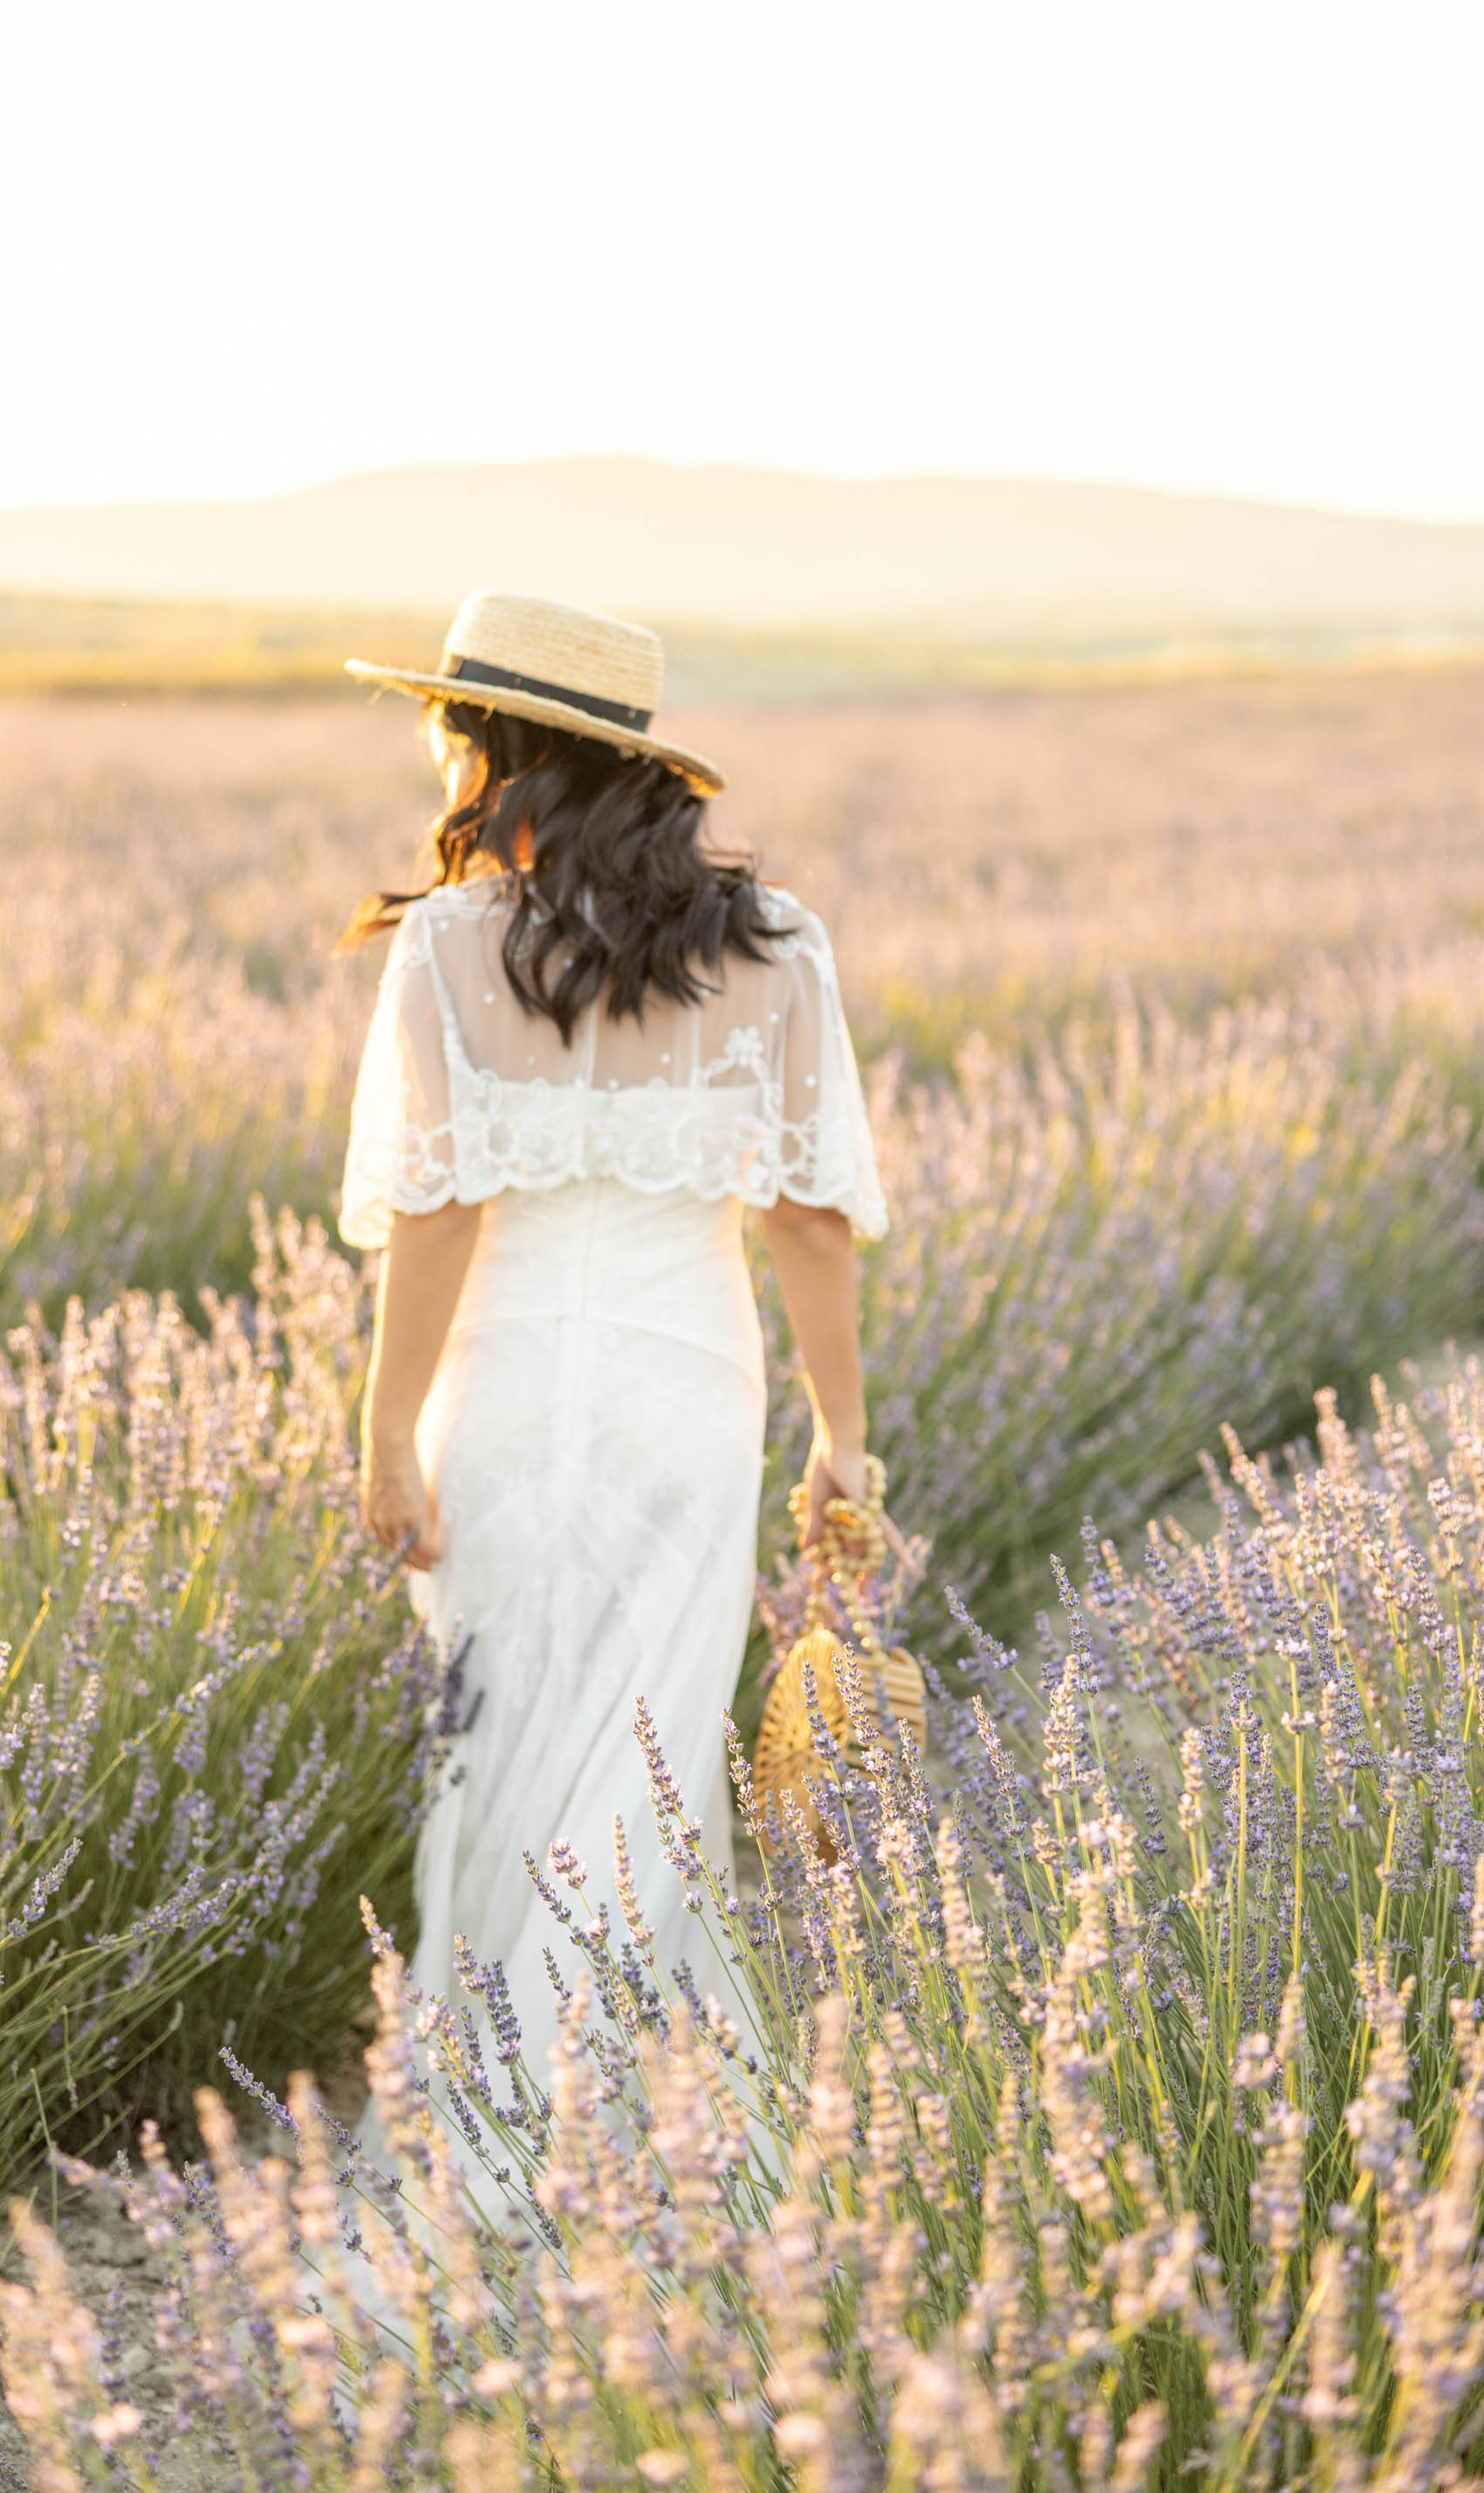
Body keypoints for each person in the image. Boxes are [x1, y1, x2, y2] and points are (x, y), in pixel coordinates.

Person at [334, 589, 889, 2214]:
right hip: (686, 1387)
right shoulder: (774, 945)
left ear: (506, 754)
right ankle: (648, 2115)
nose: (438, 755)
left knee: (498, 1729)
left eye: (453, 731)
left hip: (498, 1393)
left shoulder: (446, 945)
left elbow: (436, 1214)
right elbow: (805, 1218)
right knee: (650, 1733)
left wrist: (383, 1428)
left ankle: (500, 2103)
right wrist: (840, 1436)